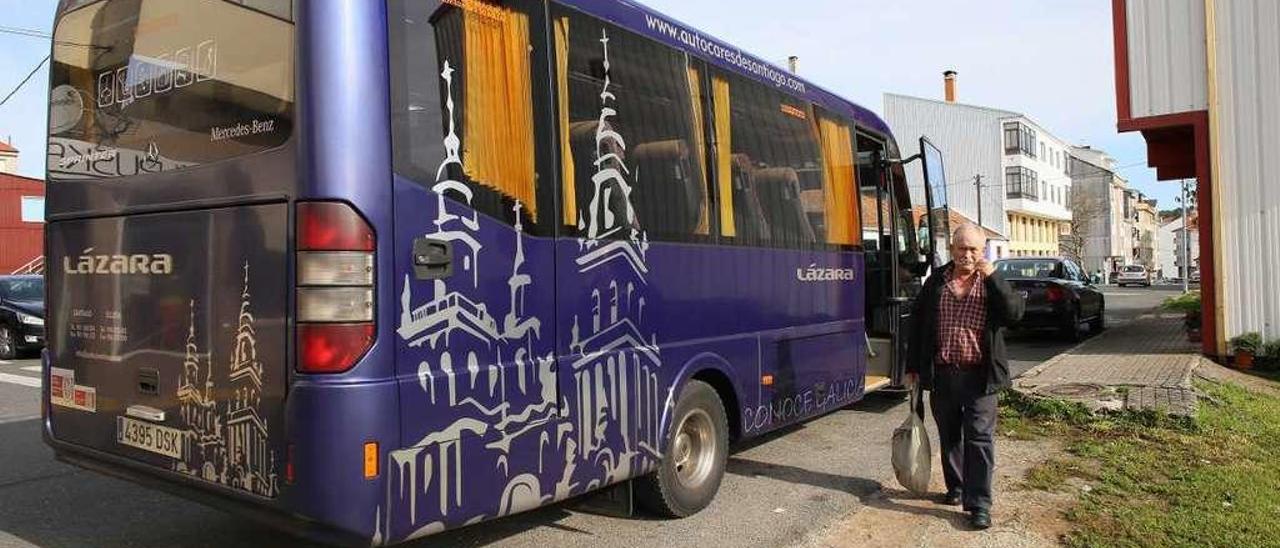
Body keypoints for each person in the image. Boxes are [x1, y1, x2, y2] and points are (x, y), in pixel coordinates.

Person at [905, 224, 1025, 530]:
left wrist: (993, 276)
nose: (967, 254)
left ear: (982, 250)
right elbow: (917, 325)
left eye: (973, 249)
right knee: (949, 435)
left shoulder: (991, 281)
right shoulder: (936, 282)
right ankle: (956, 487)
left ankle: (979, 503)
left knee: (980, 439)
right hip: (944, 374)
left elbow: (1014, 313)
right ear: (952, 249)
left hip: (980, 378)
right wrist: (912, 368)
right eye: (961, 248)